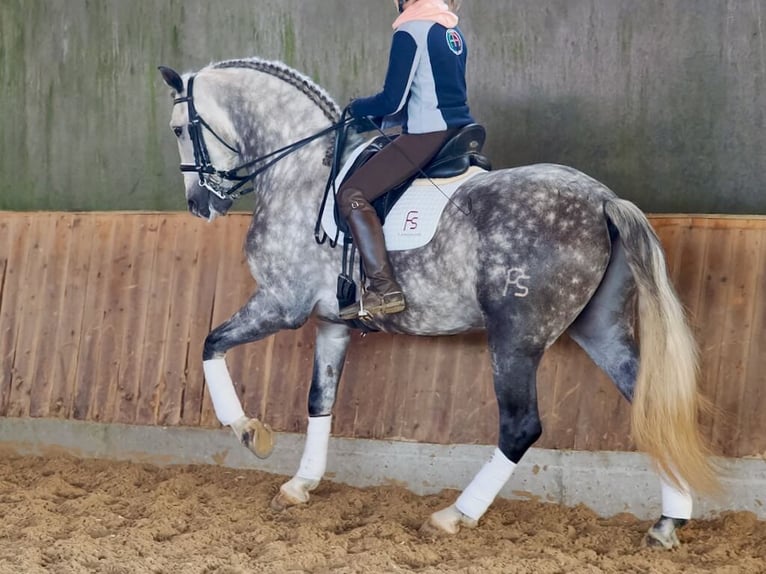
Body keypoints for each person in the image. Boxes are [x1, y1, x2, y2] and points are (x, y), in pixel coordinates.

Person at [337, 0, 474, 320]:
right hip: (459, 128)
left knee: (351, 194)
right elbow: (428, 94)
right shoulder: (450, 29)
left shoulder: (412, 29)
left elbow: (392, 98)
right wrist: (379, 122)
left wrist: (356, 108)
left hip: (427, 133)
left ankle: (384, 289)